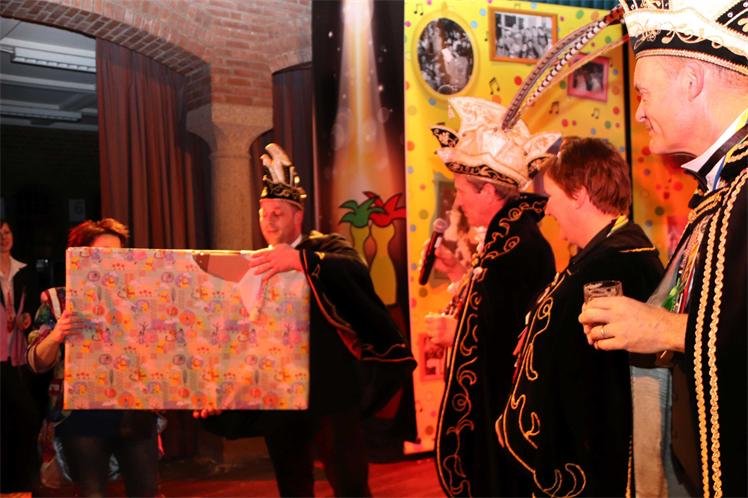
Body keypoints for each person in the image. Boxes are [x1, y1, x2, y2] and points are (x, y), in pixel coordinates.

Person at [576, 2, 748, 496]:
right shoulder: (720, 191)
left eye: (643, 93)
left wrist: (665, 328)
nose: (638, 112)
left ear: (692, 81)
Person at [195, 143, 416, 497]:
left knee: (350, 482)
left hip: (332, 390)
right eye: (264, 213)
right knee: (292, 483)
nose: (269, 221)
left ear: (298, 216)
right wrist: (219, 385)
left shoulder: (327, 247)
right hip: (278, 392)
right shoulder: (253, 263)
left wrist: (300, 261)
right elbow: (236, 333)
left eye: (278, 213)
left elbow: (354, 271)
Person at [496, 137, 664, 496]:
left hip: (591, 466)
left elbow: (600, 381)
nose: (547, 209)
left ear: (579, 194)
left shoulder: (613, 264)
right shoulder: (604, 254)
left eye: (551, 195)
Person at [427, 96, 558, 497]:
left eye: (461, 190)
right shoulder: (506, 240)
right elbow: (493, 309)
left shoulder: (520, 246)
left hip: (502, 412)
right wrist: (457, 275)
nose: (457, 201)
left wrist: (456, 334)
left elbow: (513, 338)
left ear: (487, 191)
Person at [26, 218, 161, 497]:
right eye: (102, 253)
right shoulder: (59, 301)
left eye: (118, 254)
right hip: (81, 419)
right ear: (80, 256)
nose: (111, 262)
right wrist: (57, 334)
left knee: (146, 490)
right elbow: (36, 361)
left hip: (134, 413)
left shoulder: (141, 298)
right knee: (91, 492)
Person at [0, 219, 42, 493]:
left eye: (6, 232)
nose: (3, 237)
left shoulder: (24, 271)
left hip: (18, 355)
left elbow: (34, 309)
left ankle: (21, 480)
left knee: (24, 415)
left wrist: (26, 318)